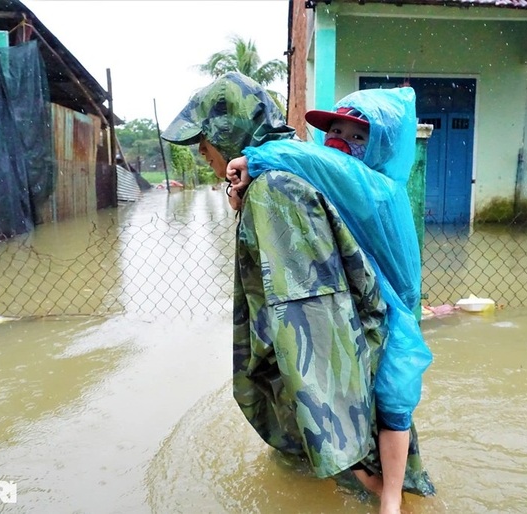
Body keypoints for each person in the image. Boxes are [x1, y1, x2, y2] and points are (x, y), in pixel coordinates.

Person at [161, 72, 434, 513]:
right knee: (387, 410)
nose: (341, 141)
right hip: (377, 310)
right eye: (336, 131)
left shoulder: (374, 188)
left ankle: (387, 496)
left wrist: (257, 160)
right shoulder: (319, 180)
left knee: (395, 405)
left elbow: (311, 321)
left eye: (357, 135)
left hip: (394, 316)